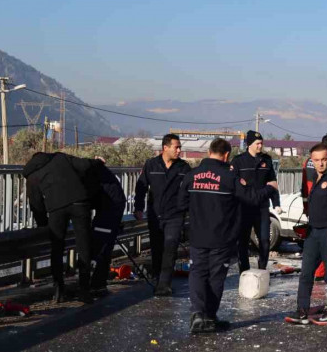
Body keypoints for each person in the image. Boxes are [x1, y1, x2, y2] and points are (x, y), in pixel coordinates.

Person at [178, 138, 278, 333]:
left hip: (198, 235)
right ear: (226, 156)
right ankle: (210, 317)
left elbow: (181, 205)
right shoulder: (229, 177)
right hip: (221, 237)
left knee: (198, 272)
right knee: (216, 276)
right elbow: (251, 198)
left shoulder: (192, 176)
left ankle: (197, 314)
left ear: (209, 153)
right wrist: (270, 188)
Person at [23, 152, 103, 303]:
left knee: (57, 248)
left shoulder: (32, 175)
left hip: (56, 209)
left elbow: (36, 204)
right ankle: (84, 290)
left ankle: (59, 290)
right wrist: (97, 161)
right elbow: (83, 164)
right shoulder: (60, 157)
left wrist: (43, 224)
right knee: (84, 246)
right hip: (80, 203)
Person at [285, 143, 327, 326]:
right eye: (316, 160)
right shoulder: (315, 177)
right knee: (306, 273)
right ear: (311, 161)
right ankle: (302, 311)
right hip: (313, 232)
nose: (320, 163)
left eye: (324, 160)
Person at [134, 134, 190, 296]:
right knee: (157, 248)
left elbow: (190, 188)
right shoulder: (151, 165)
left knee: (170, 246)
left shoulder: (183, 167)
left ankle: (165, 283)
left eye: (180, 147)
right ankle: (159, 277)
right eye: (176, 147)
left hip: (175, 214)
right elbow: (141, 186)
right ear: (165, 148)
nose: (179, 150)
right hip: (155, 214)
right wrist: (138, 207)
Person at [231, 130, 281, 272]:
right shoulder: (238, 161)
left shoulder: (266, 160)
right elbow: (234, 184)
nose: (260, 146)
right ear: (249, 144)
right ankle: (244, 270)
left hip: (262, 207)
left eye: (261, 143)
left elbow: (272, 183)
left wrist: (276, 203)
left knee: (265, 241)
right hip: (244, 208)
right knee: (243, 241)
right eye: (257, 143)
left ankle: (262, 268)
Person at [301, 134, 327, 280]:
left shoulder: (308, 161)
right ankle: (322, 273)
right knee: (326, 245)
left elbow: (303, 187)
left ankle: (315, 272)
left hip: (311, 208)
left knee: (313, 245)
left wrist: (306, 207)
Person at [88, 161, 128, 296]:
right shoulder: (105, 176)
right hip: (111, 215)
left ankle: (96, 284)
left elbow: (89, 196)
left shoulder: (96, 177)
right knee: (104, 249)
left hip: (107, 216)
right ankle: (99, 284)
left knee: (100, 249)